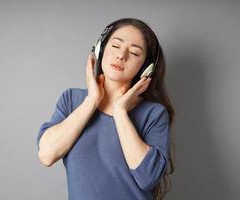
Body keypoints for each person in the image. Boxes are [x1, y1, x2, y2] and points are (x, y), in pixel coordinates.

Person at [36, 18, 175, 200]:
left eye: (134, 52)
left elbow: (148, 178)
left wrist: (120, 112)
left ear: (146, 69)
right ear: (101, 48)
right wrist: (92, 100)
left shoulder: (153, 114)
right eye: (116, 46)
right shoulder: (71, 100)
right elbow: (47, 155)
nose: (121, 56)